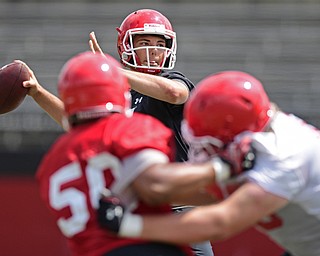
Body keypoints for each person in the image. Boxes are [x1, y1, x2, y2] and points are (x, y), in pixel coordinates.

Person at [35, 52, 252, 256]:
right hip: (142, 235)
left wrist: (36, 92)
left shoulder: (54, 159)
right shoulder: (128, 128)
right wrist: (221, 168)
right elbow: (156, 186)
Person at [97, 70, 320, 256]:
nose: (201, 152)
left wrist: (127, 224)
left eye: (209, 142)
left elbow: (221, 222)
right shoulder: (257, 138)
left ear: (235, 133)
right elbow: (210, 193)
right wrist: (138, 196)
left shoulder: (284, 155)